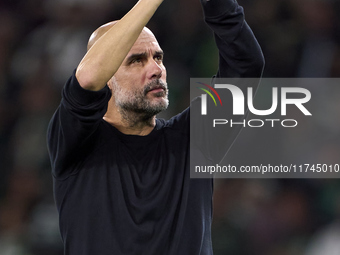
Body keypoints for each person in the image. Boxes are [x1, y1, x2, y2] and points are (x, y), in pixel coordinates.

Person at [47, 0, 264, 254]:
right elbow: (87, 79)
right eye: (137, 60)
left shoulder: (194, 140)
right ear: (107, 78)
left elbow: (245, 66)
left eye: (158, 57)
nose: (156, 69)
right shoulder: (75, 142)